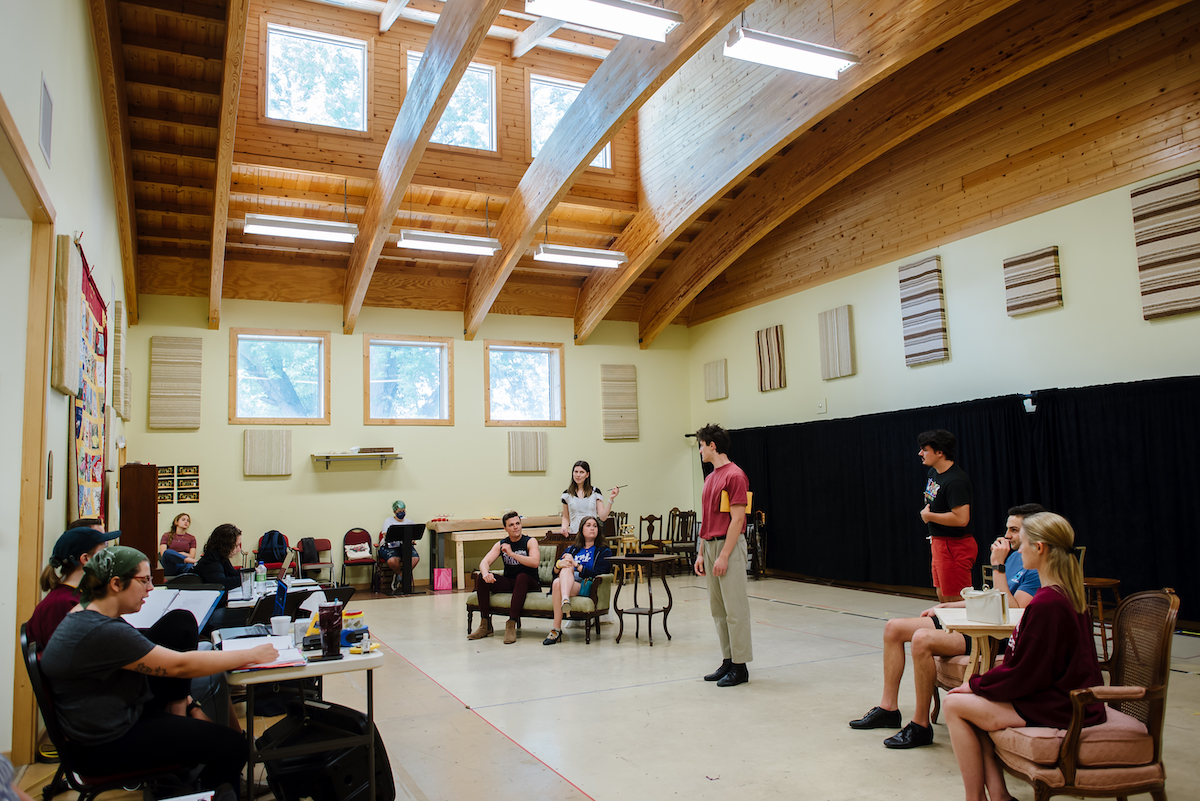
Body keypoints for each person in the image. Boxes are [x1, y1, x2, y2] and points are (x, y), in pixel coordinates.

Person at [40, 546, 277, 795]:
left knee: (179, 622)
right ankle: (199, 793)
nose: (151, 588)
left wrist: (190, 704)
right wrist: (252, 654)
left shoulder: (88, 615)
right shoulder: (102, 631)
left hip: (108, 722)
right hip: (103, 746)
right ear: (116, 584)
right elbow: (179, 664)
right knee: (231, 745)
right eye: (144, 580)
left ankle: (191, 766)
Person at [849, 504, 1045, 748]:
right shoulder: (1014, 556)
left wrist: (998, 566)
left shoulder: (1034, 565)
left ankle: (920, 725)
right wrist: (951, 607)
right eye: (1007, 529)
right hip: (980, 621)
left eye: (1014, 530)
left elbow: (1014, 613)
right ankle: (889, 709)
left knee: (922, 638)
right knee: (894, 628)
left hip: (996, 636)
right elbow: (993, 598)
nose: (1006, 536)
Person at [943, 512, 1104, 801]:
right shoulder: (1066, 594)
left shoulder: (1048, 604)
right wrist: (983, 685)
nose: (1019, 548)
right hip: (1063, 695)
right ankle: (999, 795)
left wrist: (976, 683)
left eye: (1024, 542)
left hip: (1060, 705)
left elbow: (1025, 674)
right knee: (970, 702)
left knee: (955, 704)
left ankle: (975, 798)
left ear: (1039, 548)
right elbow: (1028, 667)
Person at [693, 423, 752, 687]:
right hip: (711, 544)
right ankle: (727, 660)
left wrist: (725, 555)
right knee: (718, 609)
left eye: (701, 445)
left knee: (735, 608)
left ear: (712, 445)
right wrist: (702, 552)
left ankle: (740, 666)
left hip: (729, 546)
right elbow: (707, 520)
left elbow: (738, 518)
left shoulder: (735, 475)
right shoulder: (709, 478)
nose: (700, 450)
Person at [27, 525, 113, 651]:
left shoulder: (79, 595)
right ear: (85, 559)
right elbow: (65, 658)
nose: (109, 558)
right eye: (103, 553)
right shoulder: (61, 604)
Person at [917, 429, 975, 602]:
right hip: (939, 542)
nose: (920, 453)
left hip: (955, 546)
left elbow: (961, 518)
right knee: (942, 595)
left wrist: (929, 517)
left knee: (955, 599)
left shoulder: (955, 481)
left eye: (925, 449)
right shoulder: (933, 473)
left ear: (940, 452)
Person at [468, 511, 542, 644]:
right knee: (481, 577)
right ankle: (485, 624)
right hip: (511, 582)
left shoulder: (530, 541)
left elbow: (534, 562)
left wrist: (512, 554)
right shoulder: (501, 544)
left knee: (521, 576)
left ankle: (511, 623)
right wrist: (486, 574)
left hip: (530, 582)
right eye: (511, 525)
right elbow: (484, 563)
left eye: (518, 523)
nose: (516, 527)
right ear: (505, 528)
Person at [543, 515, 613, 645]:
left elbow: (598, 572)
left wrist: (577, 565)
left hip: (585, 585)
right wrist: (560, 564)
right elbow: (554, 572)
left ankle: (555, 629)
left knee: (566, 569)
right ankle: (564, 604)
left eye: (595, 526)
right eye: (588, 525)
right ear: (581, 530)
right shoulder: (573, 549)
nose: (592, 528)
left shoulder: (604, 551)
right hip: (566, 584)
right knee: (558, 580)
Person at [195, 523, 250, 632]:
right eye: (236, 545)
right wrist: (247, 577)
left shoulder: (218, 557)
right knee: (252, 615)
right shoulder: (211, 562)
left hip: (213, 609)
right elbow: (221, 583)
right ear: (226, 545)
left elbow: (233, 574)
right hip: (209, 615)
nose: (239, 549)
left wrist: (250, 572)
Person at [560, 461, 619, 536]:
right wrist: (564, 528)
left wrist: (611, 499)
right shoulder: (566, 494)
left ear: (587, 474)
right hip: (574, 534)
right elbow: (565, 517)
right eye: (576, 472)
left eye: (582, 472)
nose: (578, 475)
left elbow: (603, 517)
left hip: (591, 535)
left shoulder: (595, 492)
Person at [379, 500, 419, 594]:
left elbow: (413, 537)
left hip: (404, 546)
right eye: (399, 511)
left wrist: (412, 539)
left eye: (403, 510)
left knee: (415, 558)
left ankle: (400, 577)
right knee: (393, 561)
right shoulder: (388, 521)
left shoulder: (409, 522)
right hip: (390, 547)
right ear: (394, 512)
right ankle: (401, 576)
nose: (402, 513)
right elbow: (385, 534)